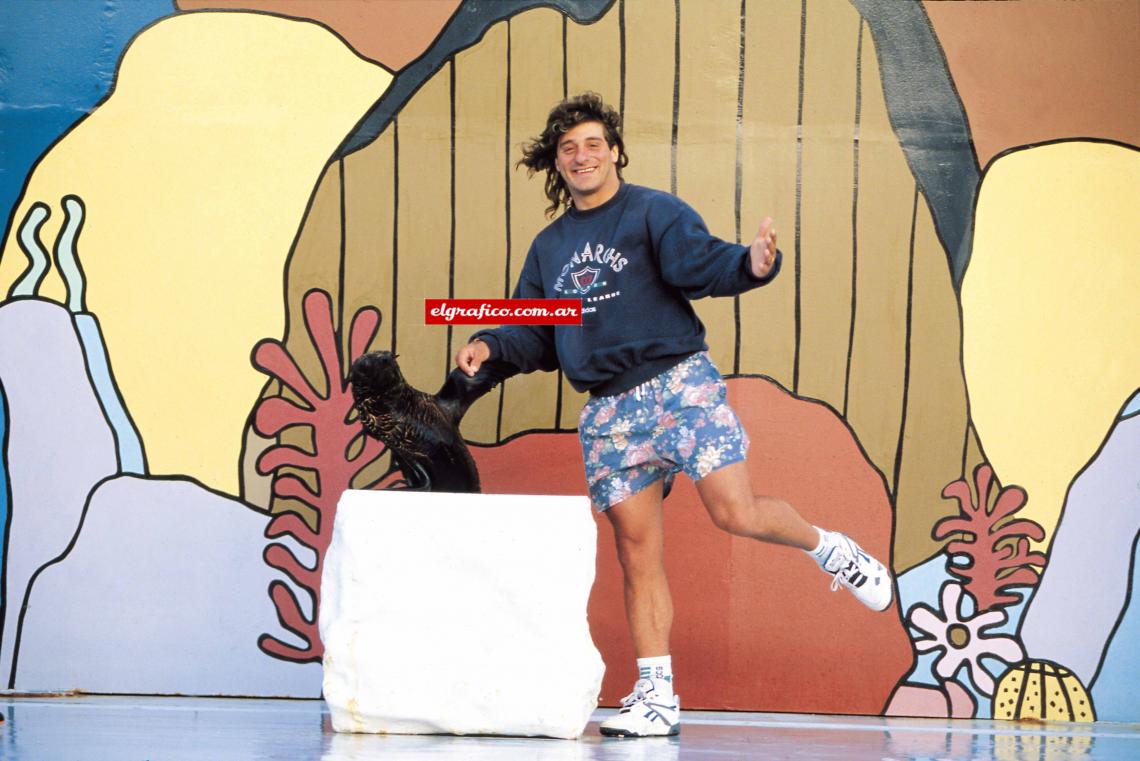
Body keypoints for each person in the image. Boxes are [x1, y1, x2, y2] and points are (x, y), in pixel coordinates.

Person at [454, 92, 893, 738]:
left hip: (677, 384)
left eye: (594, 144)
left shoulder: (650, 211)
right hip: (608, 412)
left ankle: (831, 550)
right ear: (557, 162)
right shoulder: (550, 249)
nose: (583, 156)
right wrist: (491, 344)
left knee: (734, 511)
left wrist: (751, 263)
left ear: (615, 151)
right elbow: (538, 334)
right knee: (637, 555)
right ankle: (656, 697)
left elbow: (699, 262)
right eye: (569, 148)